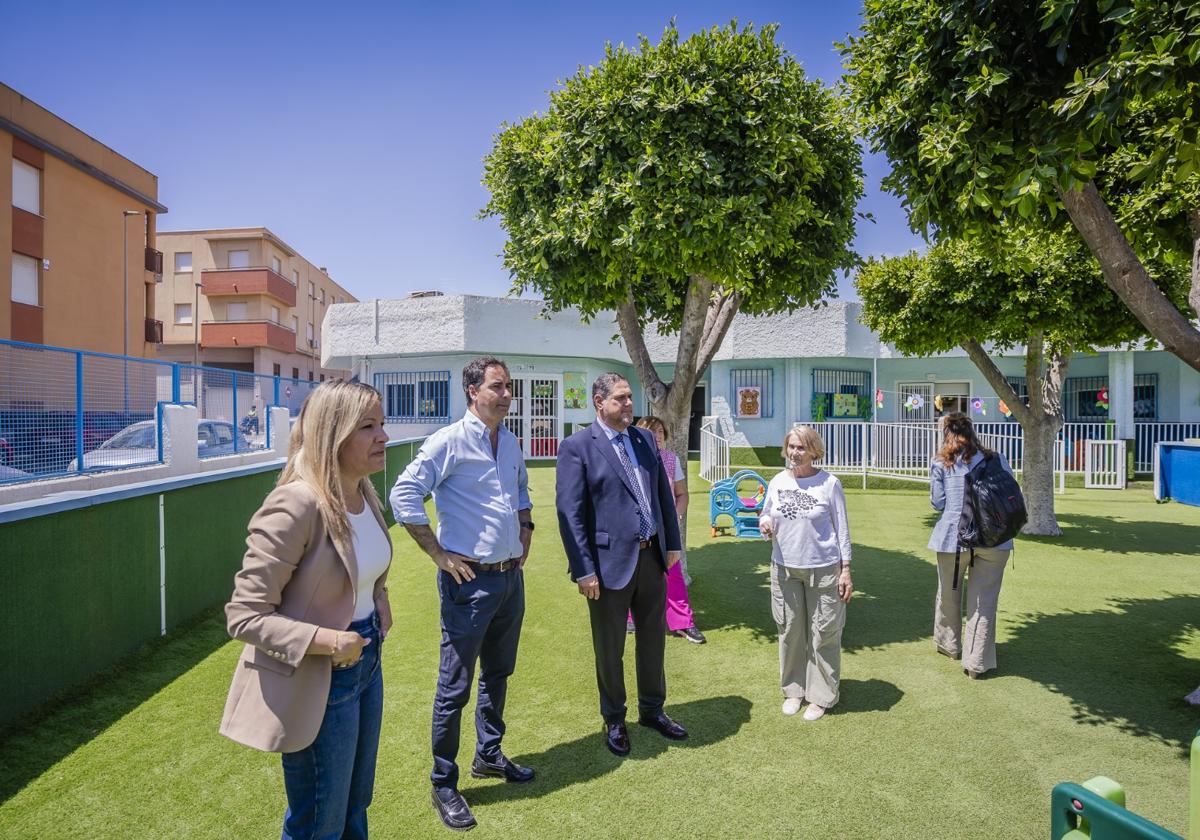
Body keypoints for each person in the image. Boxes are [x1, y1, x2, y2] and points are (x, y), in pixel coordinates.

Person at [220, 380, 393, 840]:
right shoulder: (297, 503)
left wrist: (378, 597)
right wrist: (330, 642)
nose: (384, 436)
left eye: (382, 423)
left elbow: (361, 566)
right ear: (332, 433)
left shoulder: (362, 492)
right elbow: (244, 615)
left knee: (355, 806)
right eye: (368, 426)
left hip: (367, 663)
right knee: (320, 821)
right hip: (320, 675)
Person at [390, 356, 534, 832]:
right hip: (468, 584)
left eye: (509, 387)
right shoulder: (448, 441)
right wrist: (438, 554)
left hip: (509, 579)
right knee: (455, 686)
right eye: (498, 387)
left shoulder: (510, 441)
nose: (507, 395)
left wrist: (526, 528)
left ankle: (489, 754)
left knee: (499, 674)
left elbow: (521, 491)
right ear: (473, 391)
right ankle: (443, 782)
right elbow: (403, 494)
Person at [556, 373, 688, 757]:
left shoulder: (644, 439)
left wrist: (672, 544)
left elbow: (663, 496)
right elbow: (570, 514)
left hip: (651, 557)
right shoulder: (577, 446)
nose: (629, 404)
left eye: (630, 397)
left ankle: (653, 710)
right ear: (599, 402)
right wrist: (584, 569)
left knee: (653, 640)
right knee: (609, 646)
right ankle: (614, 718)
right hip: (606, 565)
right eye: (620, 398)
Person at [759, 425, 853, 721]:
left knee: (824, 633)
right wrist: (764, 523)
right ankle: (794, 690)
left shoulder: (829, 484)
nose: (795, 453)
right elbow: (766, 512)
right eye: (791, 447)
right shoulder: (777, 481)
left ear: (814, 451)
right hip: (784, 568)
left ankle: (821, 695)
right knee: (789, 631)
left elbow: (842, 529)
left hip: (824, 569)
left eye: (801, 447)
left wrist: (846, 570)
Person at [929, 412, 1013, 679]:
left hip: (953, 538)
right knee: (983, 601)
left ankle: (950, 645)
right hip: (995, 539)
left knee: (948, 594)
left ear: (946, 433)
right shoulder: (997, 458)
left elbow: (938, 502)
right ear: (972, 431)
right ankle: (976, 663)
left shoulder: (941, 462)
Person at [626, 416, 705, 644]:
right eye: (652, 431)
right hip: (635, 530)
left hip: (664, 532)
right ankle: (630, 618)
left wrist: (674, 517)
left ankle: (683, 622)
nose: (657, 436)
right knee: (631, 573)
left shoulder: (671, 459)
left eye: (660, 431)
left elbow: (682, 494)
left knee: (674, 575)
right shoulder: (628, 459)